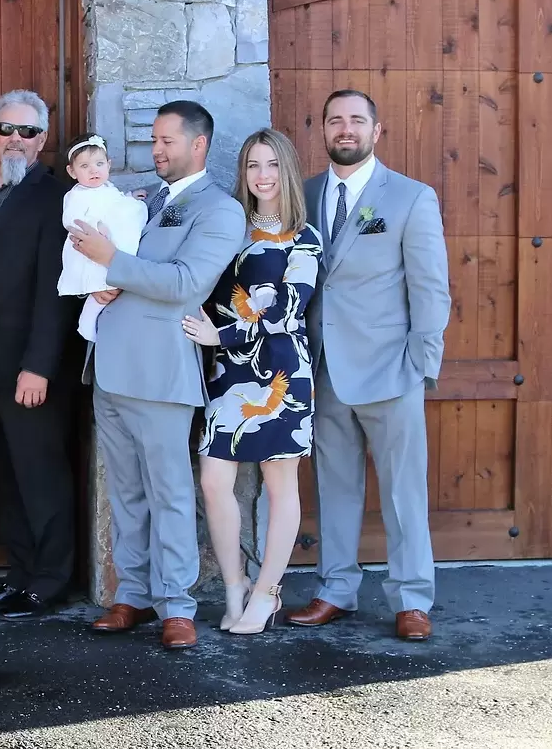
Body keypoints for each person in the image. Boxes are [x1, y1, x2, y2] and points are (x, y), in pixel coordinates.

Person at [68, 100, 245, 650]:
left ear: (199, 144)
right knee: (125, 492)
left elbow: (186, 282)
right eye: (154, 140)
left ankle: (177, 605)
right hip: (110, 366)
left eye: (167, 141)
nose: (156, 150)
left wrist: (112, 261)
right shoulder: (143, 199)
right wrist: (98, 281)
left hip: (162, 370)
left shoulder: (220, 210)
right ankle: (133, 593)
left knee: (169, 493)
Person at [285, 90, 450, 642]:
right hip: (322, 371)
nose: (346, 129)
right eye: (336, 120)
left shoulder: (409, 197)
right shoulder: (304, 194)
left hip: (390, 371)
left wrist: (421, 366)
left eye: (357, 120)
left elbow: (431, 289)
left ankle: (412, 598)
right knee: (334, 488)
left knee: (404, 492)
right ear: (324, 130)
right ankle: (335, 590)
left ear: (376, 132)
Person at [181, 128, 321, 634]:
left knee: (280, 485)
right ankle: (235, 585)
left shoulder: (304, 236)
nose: (263, 176)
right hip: (228, 371)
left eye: (272, 165)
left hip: (281, 369)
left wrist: (220, 334)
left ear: (288, 170)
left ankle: (268, 592)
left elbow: (289, 307)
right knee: (214, 481)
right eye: (252, 165)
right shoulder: (230, 225)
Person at [0, 90, 81, 621]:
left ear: (43, 139)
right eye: (6, 129)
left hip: (31, 368)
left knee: (41, 476)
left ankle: (50, 581)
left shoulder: (58, 198)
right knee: (7, 476)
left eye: (27, 131)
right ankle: (19, 574)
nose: (16, 139)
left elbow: (55, 292)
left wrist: (38, 366)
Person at [57, 134, 147, 342]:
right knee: (102, 287)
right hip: (89, 250)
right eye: (85, 166)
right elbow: (70, 219)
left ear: (109, 165)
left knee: (115, 284)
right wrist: (94, 224)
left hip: (110, 248)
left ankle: (107, 323)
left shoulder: (107, 188)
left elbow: (115, 203)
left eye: (99, 164)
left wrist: (130, 198)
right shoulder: (76, 195)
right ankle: (87, 322)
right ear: (72, 171)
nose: (94, 171)